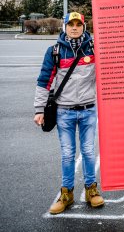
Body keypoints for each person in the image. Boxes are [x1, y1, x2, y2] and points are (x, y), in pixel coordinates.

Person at [34, 12, 104, 214]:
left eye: (78, 24)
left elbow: (110, 72)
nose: (74, 27)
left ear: (84, 26)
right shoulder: (55, 51)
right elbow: (44, 81)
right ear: (64, 27)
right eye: (70, 24)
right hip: (64, 112)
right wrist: (39, 110)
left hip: (88, 110)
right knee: (67, 155)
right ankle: (67, 194)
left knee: (89, 152)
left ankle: (91, 191)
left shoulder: (94, 48)